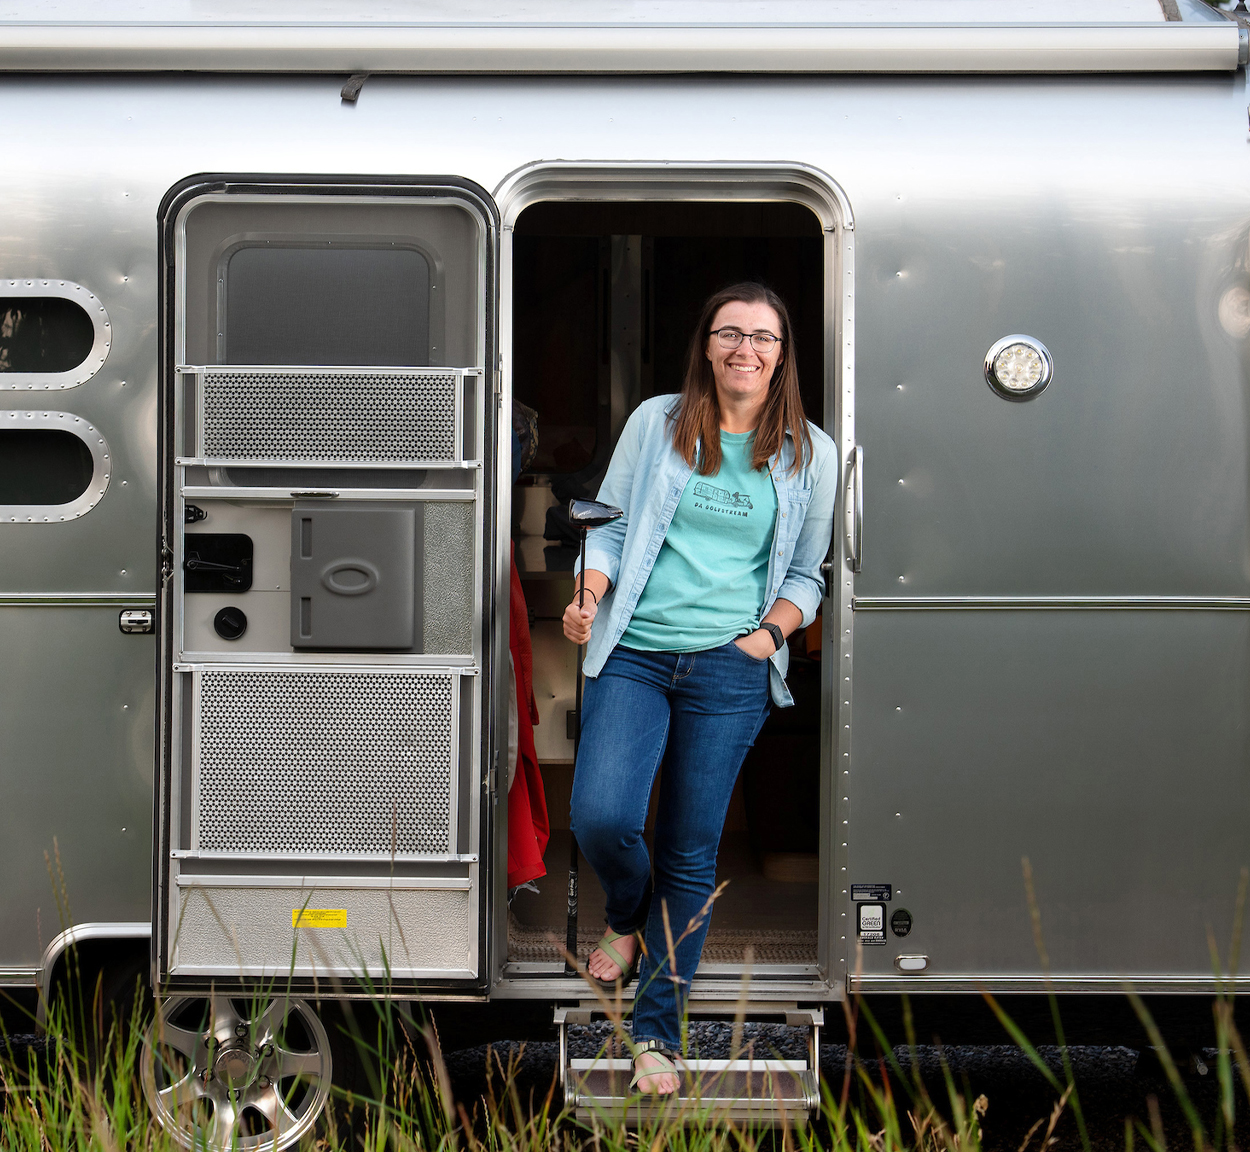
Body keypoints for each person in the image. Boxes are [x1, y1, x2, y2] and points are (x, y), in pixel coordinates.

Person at [561, 282, 837, 1095]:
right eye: (729, 334)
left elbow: (804, 575)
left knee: (690, 850)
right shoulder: (657, 422)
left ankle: (656, 1037)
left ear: (782, 353)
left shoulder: (808, 455)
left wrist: (768, 636)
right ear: (707, 345)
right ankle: (624, 914)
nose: (744, 350)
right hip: (637, 653)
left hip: (729, 668)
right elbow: (608, 527)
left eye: (762, 337)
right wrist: (589, 596)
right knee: (604, 815)